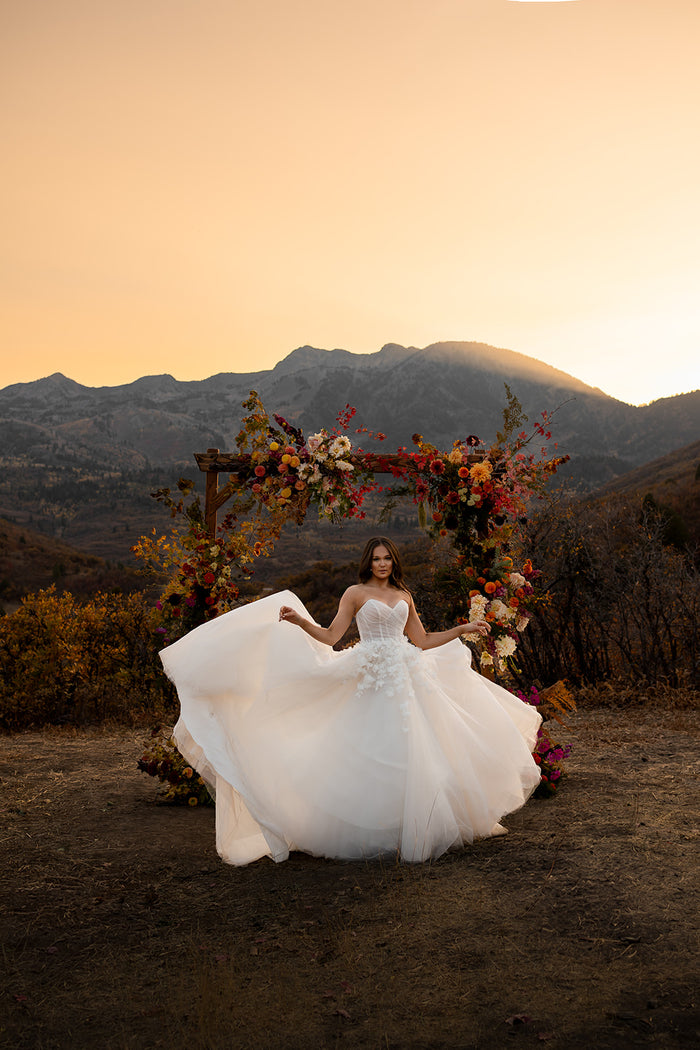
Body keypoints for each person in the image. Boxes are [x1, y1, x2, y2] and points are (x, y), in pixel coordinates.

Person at [159, 537, 542, 866]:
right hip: (370, 676)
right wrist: (298, 622)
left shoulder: (404, 595)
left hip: (406, 674)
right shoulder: (355, 593)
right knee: (372, 751)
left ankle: (417, 827)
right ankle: (378, 831)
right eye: (376, 559)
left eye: (386, 558)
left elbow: (422, 641)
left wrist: (463, 627)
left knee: (417, 749)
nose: (381, 564)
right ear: (368, 562)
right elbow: (330, 637)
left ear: (394, 561)